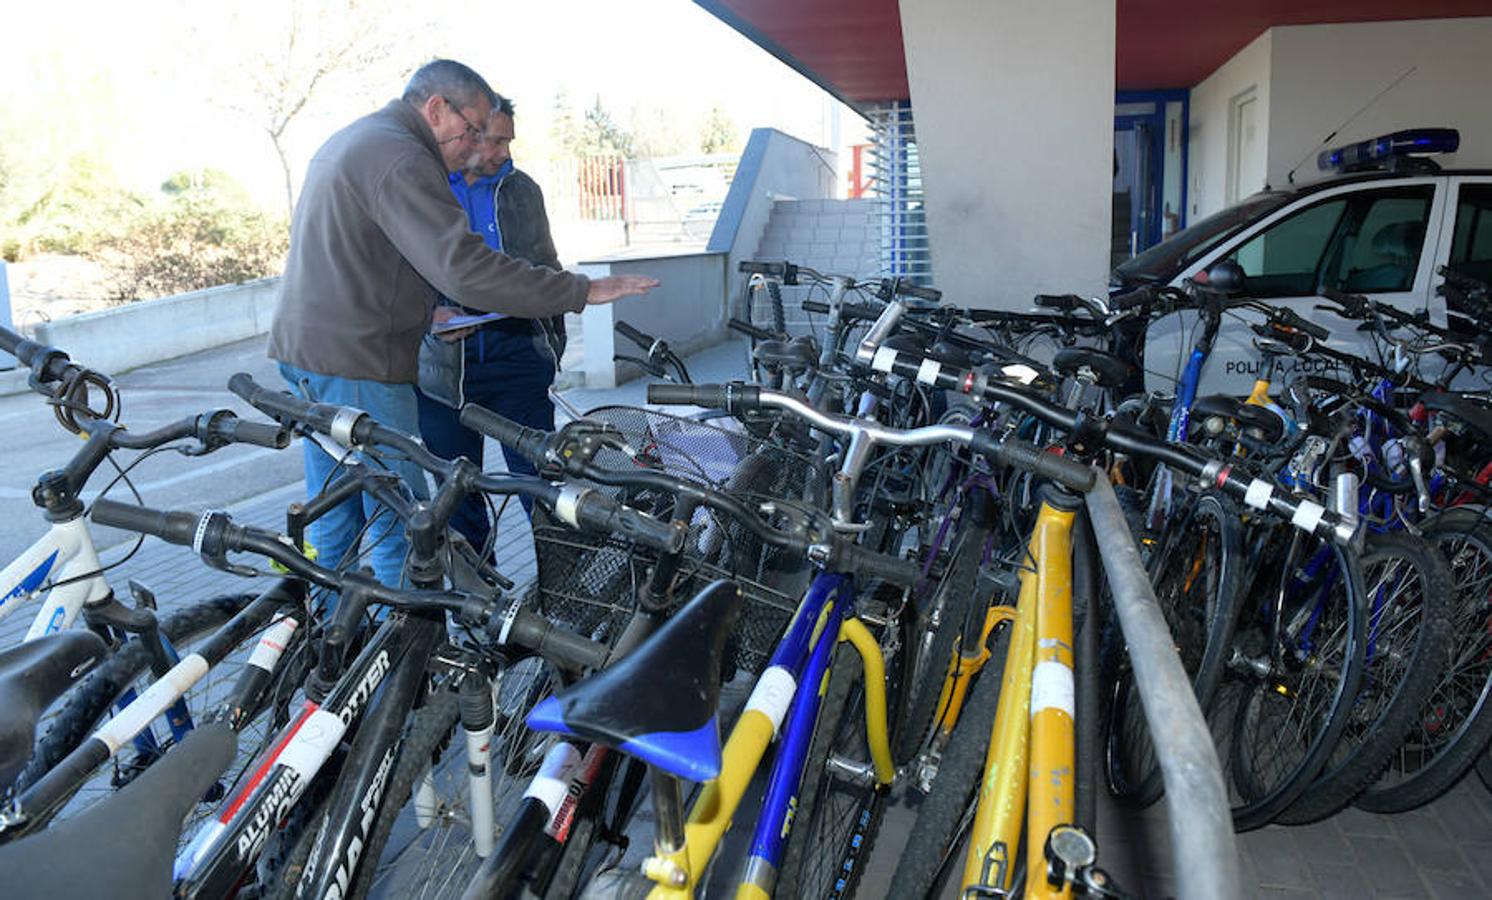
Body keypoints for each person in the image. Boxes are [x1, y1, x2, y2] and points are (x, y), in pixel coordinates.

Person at [267, 59, 656, 589]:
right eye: (473, 130)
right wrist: (580, 291)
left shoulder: (360, 139)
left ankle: (331, 654)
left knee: (338, 519)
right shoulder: (401, 156)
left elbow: (358, 261)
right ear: (436, 109)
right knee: (403, 526)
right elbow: (465, 268)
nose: (477, 146)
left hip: (314, 357)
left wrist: (427, 314)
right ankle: (407, 661)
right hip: (360, 365)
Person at [415, 95, 559, 553]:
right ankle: (479, 613)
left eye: (508, 142)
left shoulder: (523, 189)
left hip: (517, 357)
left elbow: (546, 265)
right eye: (495, 140)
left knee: (546, 491)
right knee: (457, 502)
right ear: (469, 134)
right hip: (444, 371)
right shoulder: (422, 186)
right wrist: (425, 320)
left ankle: (567, 603)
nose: (504, 153)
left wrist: (549, 344)